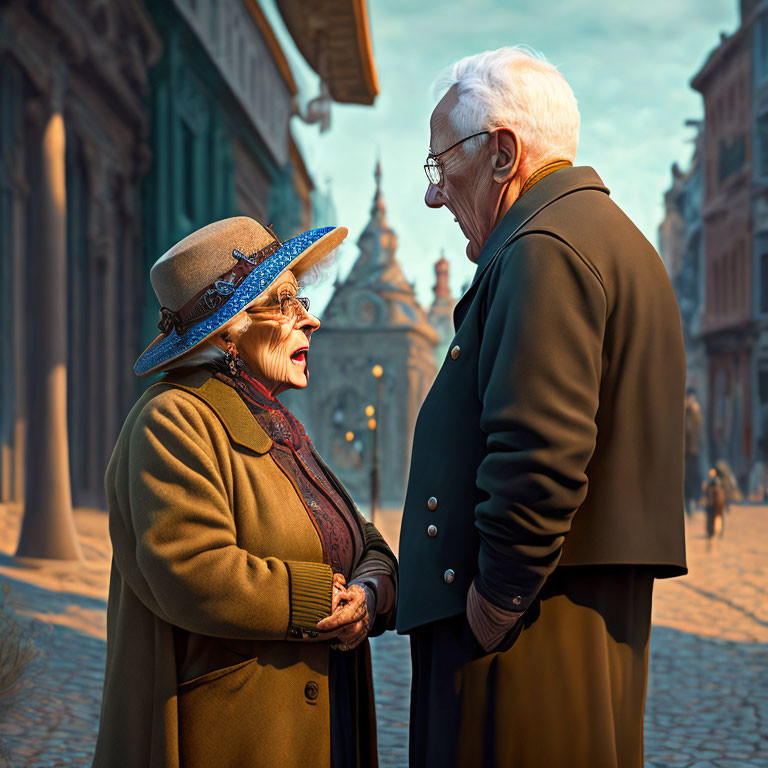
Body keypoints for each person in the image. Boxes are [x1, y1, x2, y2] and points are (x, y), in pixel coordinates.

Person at [397, 47, 687, 768]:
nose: (434, 196)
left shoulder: (545, 249)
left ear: (503, 154)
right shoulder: (599, 236)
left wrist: (495, 603)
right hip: (568, 622)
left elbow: (540, 452)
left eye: (440, 166)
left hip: (529, 640)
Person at [93, 217, 398, 768]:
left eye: (300, 299)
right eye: (284, 304)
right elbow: (190, 569)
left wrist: (372, 590)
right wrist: (320, 600)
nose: (312, 319)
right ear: (229, 329)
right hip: (236, 734)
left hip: (321, 724)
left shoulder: (274, 418)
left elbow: (352, 534)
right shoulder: (173, 419)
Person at [684, 388, 704, 516]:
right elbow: (687, 428)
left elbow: (699, 430)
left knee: (695, 474)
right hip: (685, 449)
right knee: (687, 477)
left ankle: (694, 500)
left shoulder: (696, 412)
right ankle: (688, 501)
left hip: (694, 449)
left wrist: (696, 413)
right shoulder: (685, 411)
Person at [703, 467, 727, 551]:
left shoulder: (716, 483)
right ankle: (712, 534)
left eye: (712, 472)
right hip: (713, 506)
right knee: (712, 520)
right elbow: (706, 493)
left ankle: (717, 533)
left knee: (717, 520)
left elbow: (720, 496)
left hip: (717, 506)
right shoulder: (710, 483)